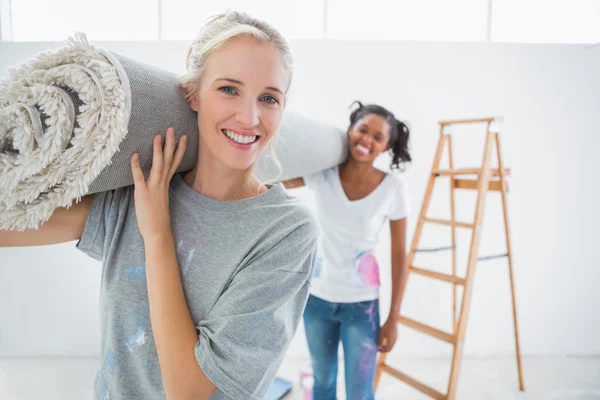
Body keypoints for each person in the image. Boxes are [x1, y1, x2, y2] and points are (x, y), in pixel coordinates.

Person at [0, 11, 318, 400]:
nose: (250, 117)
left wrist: (157, 234)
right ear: (192, 94)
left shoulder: (287, 231)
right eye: (229, 89)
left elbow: (189, 391)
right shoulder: (145, 188)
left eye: (268, 98)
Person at [284, 101, 412, 400]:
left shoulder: (393, 188)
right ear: (350, 130)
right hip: (317, 302)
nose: (367, 140)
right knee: (323, 383)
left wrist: (393, 319)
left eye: (377, 137)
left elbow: (399, 256)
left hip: (362, 307)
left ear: (386, 146)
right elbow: (270, 178)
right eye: (362, 129)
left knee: (359, 391)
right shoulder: (322, 174)